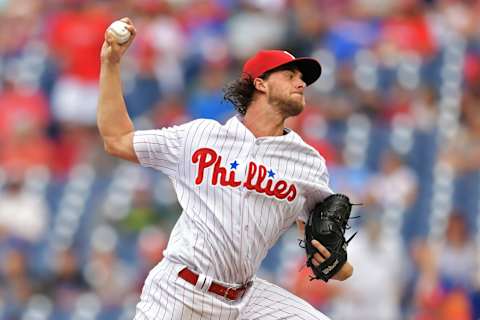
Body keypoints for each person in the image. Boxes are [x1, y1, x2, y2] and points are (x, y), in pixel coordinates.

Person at [97, 17, 353, 320]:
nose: (301, 83)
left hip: (247, 299)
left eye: (303, 79)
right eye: (290, 75)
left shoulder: (308, 163)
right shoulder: (200, 137)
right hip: (180, 289)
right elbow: (117, 139)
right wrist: (111, 63)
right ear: (260, 83)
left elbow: (334, 263)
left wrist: (335, 262)